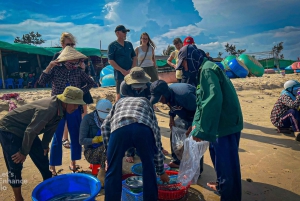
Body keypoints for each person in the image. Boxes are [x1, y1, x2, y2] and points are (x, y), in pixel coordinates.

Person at [0, 86, 86, 201]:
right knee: (15, 163)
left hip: (28, 129)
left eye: (78, 105)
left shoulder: (61, 109)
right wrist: (23, 152)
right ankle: (18, 197)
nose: (76, 108)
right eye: (74, 104)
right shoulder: (49, 109)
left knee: (42, 157)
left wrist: (45, 145)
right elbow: (30, 131)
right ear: (65, 101)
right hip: (10, 129)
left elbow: (51, 128)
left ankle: (51, 190)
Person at [184, 46, 243, 200]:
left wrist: (202, 130)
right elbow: (201, 102)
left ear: (190, 59)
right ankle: (223, 187)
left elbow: (212, 100)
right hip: (219, 123)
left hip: (225, 123)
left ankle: (230, 196)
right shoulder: (203, 69)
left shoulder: (207, 70)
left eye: (183, 63)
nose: (184, 68)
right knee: (217, 156)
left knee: (227, 165)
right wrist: (195, 124)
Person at [38, 44, 95, 175]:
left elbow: (91, 83)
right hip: (57, 106)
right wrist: (49, 66)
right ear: (65, 60)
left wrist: (80, 92)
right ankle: (52, 166)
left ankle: (73, 163)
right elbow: (41, 81)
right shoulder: (56, 70)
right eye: (73, 61)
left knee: (75, 135)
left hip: (74, 107)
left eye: (77, 60)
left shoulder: (78, 71)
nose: (75, 63)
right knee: (57, 137)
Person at [101, 97, 170, 201]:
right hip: (143, 130)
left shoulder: (118, 103)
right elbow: (156, 139)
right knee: (149, 169)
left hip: (119, 128)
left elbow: (104, 127)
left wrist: (109, 154)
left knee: (113, 171)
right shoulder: (147, 106)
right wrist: (161, 171)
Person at [149, 80, 203, 172]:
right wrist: (171, 119)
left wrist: (194, 125)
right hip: (183, 114)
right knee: (174, 134)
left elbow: (200, 110)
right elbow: (172, 106)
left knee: (194, 141)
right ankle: (177, 161)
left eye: (161, 99)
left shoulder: (184, 96)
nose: (161, 102)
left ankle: (196, 170)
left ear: (165, 94)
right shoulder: (168, 95)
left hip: (196, 115)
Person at [120, 67, 168, 163]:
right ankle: (130, 152)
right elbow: (124, 102)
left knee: (155, 129)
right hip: (130, 108)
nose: (138, 86)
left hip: (145, 107)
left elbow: (150, 104)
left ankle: (158, 148)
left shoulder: (150, 86)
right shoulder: (124, 86)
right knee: (130, 129)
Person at [79, 99, 112, 187]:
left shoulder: (111, 118)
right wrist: (95, 140)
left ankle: (111, 171)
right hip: (91, 152)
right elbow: (81, 140)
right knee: (106, 147)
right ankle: (101, 174)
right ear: (97, 111)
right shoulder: (87, 119)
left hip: (107, 151)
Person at [108, 25, 137, 101]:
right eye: (124, 32)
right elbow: (111, 61)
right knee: (119, 95)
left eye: (126, 32)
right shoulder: (112, 46)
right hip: (120, 75)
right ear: (117, 33)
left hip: (131, 74)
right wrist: (122, 70)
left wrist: (131, 69)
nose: (125, 34)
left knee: (132, 93)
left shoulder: (129, 44)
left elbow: (134, 57)